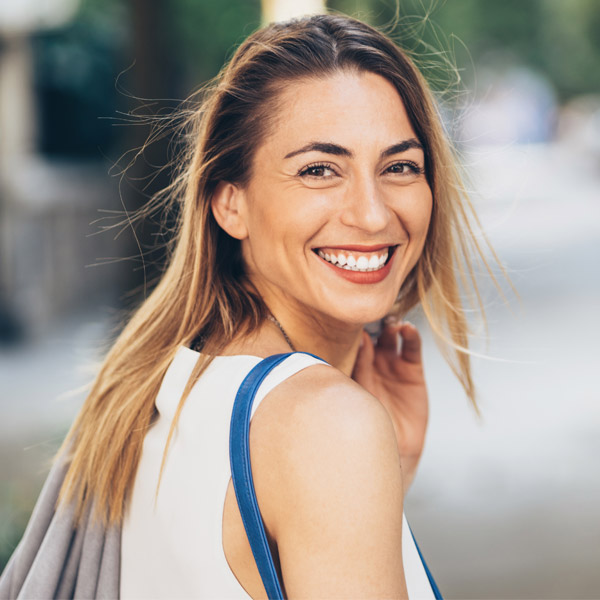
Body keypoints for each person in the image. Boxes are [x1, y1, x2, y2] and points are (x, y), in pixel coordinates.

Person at [2, 13, 506, 599]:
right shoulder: (324, 425)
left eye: (399, 167)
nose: (372, 213)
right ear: (229, 204)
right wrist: (352, 453)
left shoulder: (165, 386)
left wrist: (387, 475)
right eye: (319, 170)